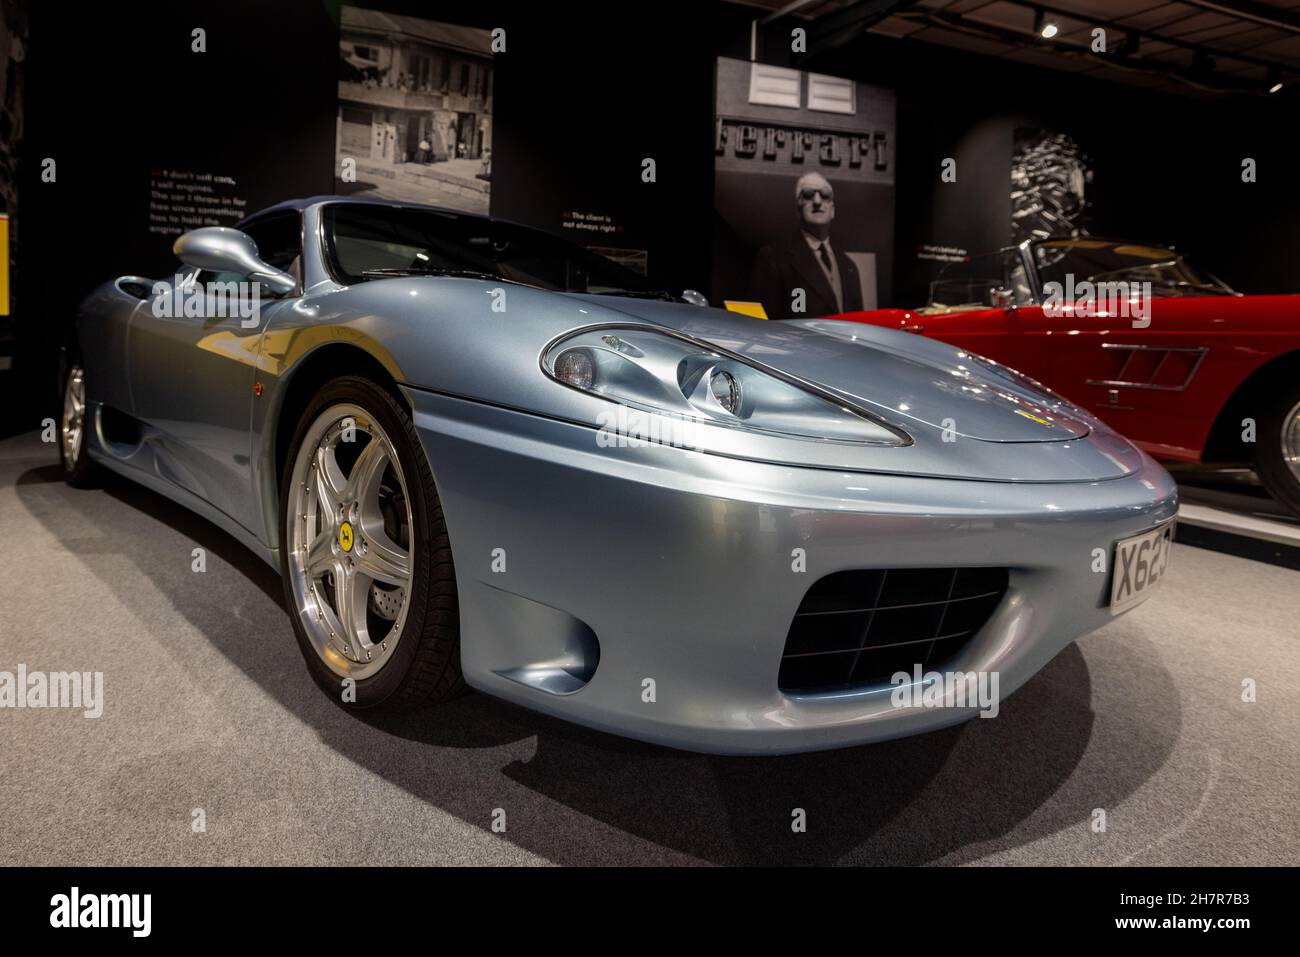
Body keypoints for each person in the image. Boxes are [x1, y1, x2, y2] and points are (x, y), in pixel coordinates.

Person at [747, 172, 863, 319]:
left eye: (825, 195)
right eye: (808, 195)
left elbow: (858, 324)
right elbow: (757, 321)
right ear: (798, 208)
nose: (817, 201)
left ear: (832, 209)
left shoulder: (849, 266)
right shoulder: (774, 258)